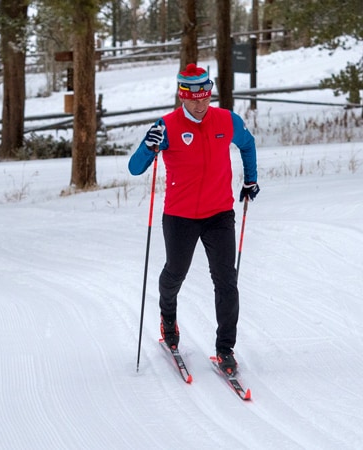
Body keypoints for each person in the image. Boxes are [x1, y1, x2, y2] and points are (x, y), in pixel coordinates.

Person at [128, 63, 259, 376]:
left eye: (206, 96)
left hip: (219, 214)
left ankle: (225, 350)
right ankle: (168, 319)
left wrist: (249, 180)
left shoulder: (226, 120)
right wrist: (149, 145)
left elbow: (248, 144)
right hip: (180, 216)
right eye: (194, 98)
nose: (201, 104)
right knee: (175, 273)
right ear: (182, 96)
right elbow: (135, 168)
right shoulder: (167, 126)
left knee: (226, 281)